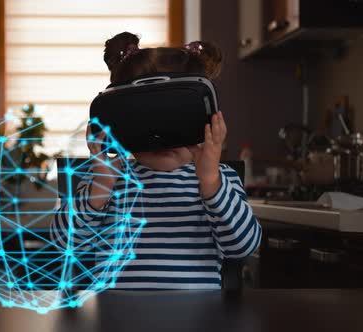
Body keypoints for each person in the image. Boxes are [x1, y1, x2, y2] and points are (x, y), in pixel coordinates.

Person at [51, 32, 261, 290]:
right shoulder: (108, 179)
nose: (161, 135)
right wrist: (100, 188)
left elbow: (243, 246)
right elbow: (65, 244)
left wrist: (210, 182)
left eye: (176, 117)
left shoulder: (220, 178)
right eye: (146, 118)